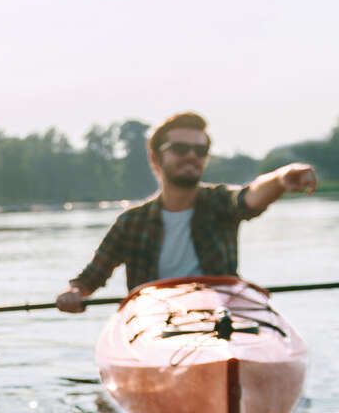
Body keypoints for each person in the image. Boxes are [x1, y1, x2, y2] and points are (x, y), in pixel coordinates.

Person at [56, 111, 318, 311]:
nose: (191, 155)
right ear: (155, 158)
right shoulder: (131, 222)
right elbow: (89, 279)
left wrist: (282, 178)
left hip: (221, 315)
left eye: (200, 150)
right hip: (155, 320)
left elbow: (250, 196)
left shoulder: (219, 202)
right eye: (180, 149)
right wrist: (74, 293)